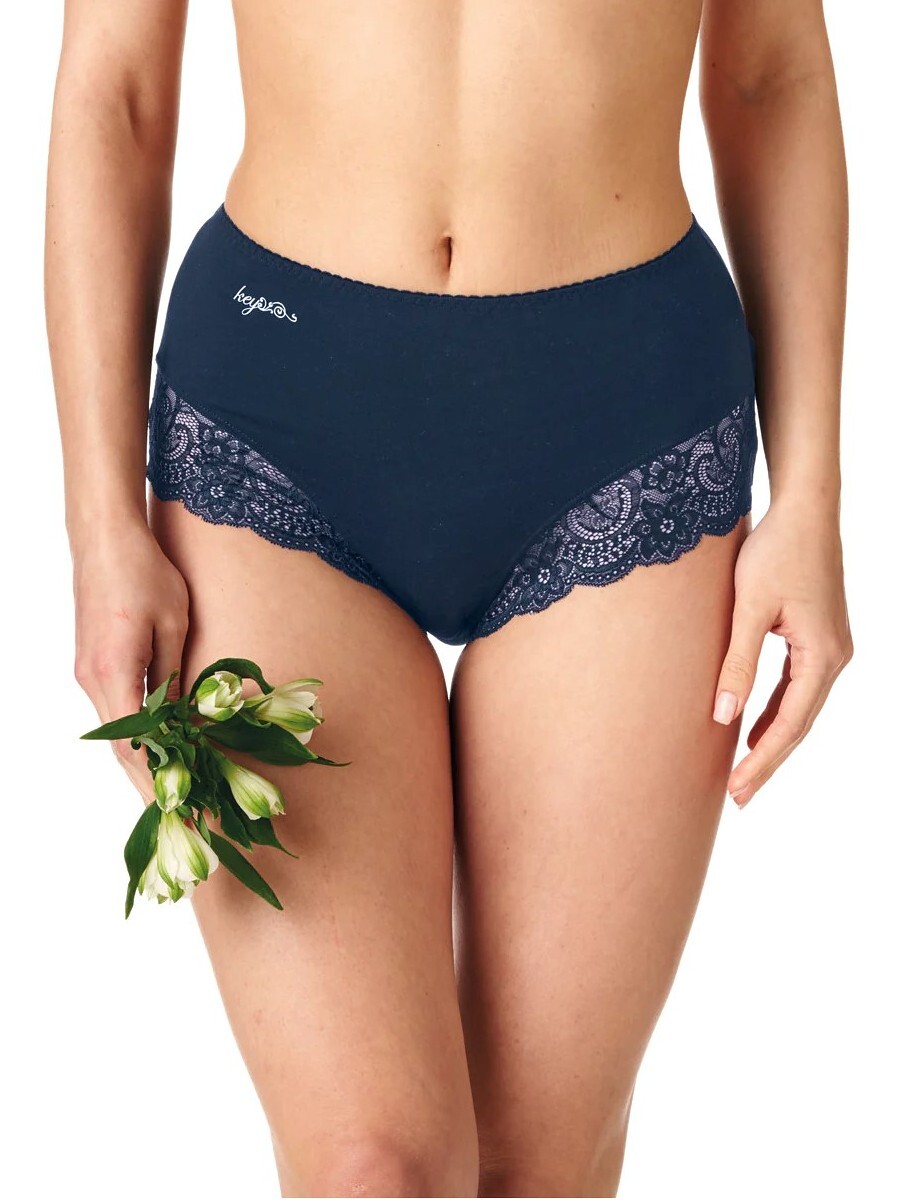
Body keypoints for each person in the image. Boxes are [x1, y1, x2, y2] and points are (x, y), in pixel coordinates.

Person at [45, 1, 852, 1196]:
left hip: (629, 428)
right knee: (371, 1164)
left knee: (537, 1168)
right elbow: (113, 88)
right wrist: (99, 525)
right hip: (271, 423)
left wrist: (811, 501)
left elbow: (768, 76)